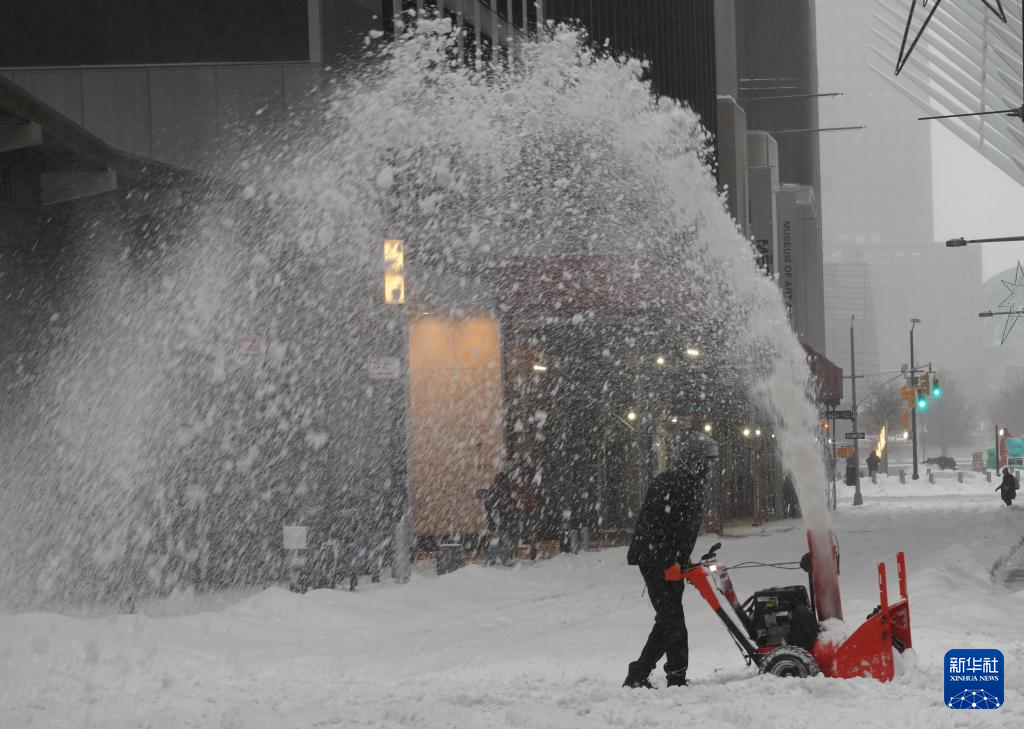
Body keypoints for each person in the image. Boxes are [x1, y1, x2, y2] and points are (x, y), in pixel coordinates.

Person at [623, 431, 719, 689]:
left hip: (670, 561)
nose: (710, 467)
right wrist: (668, 561)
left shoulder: (692, 484)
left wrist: (683, 557)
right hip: (654, 561)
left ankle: (640, 675)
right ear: (695, 460)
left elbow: (681, 528)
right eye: (707, 461)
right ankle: (673, 678)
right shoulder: (670, 483)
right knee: (673, 622)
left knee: (667, 621)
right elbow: (654, 528)